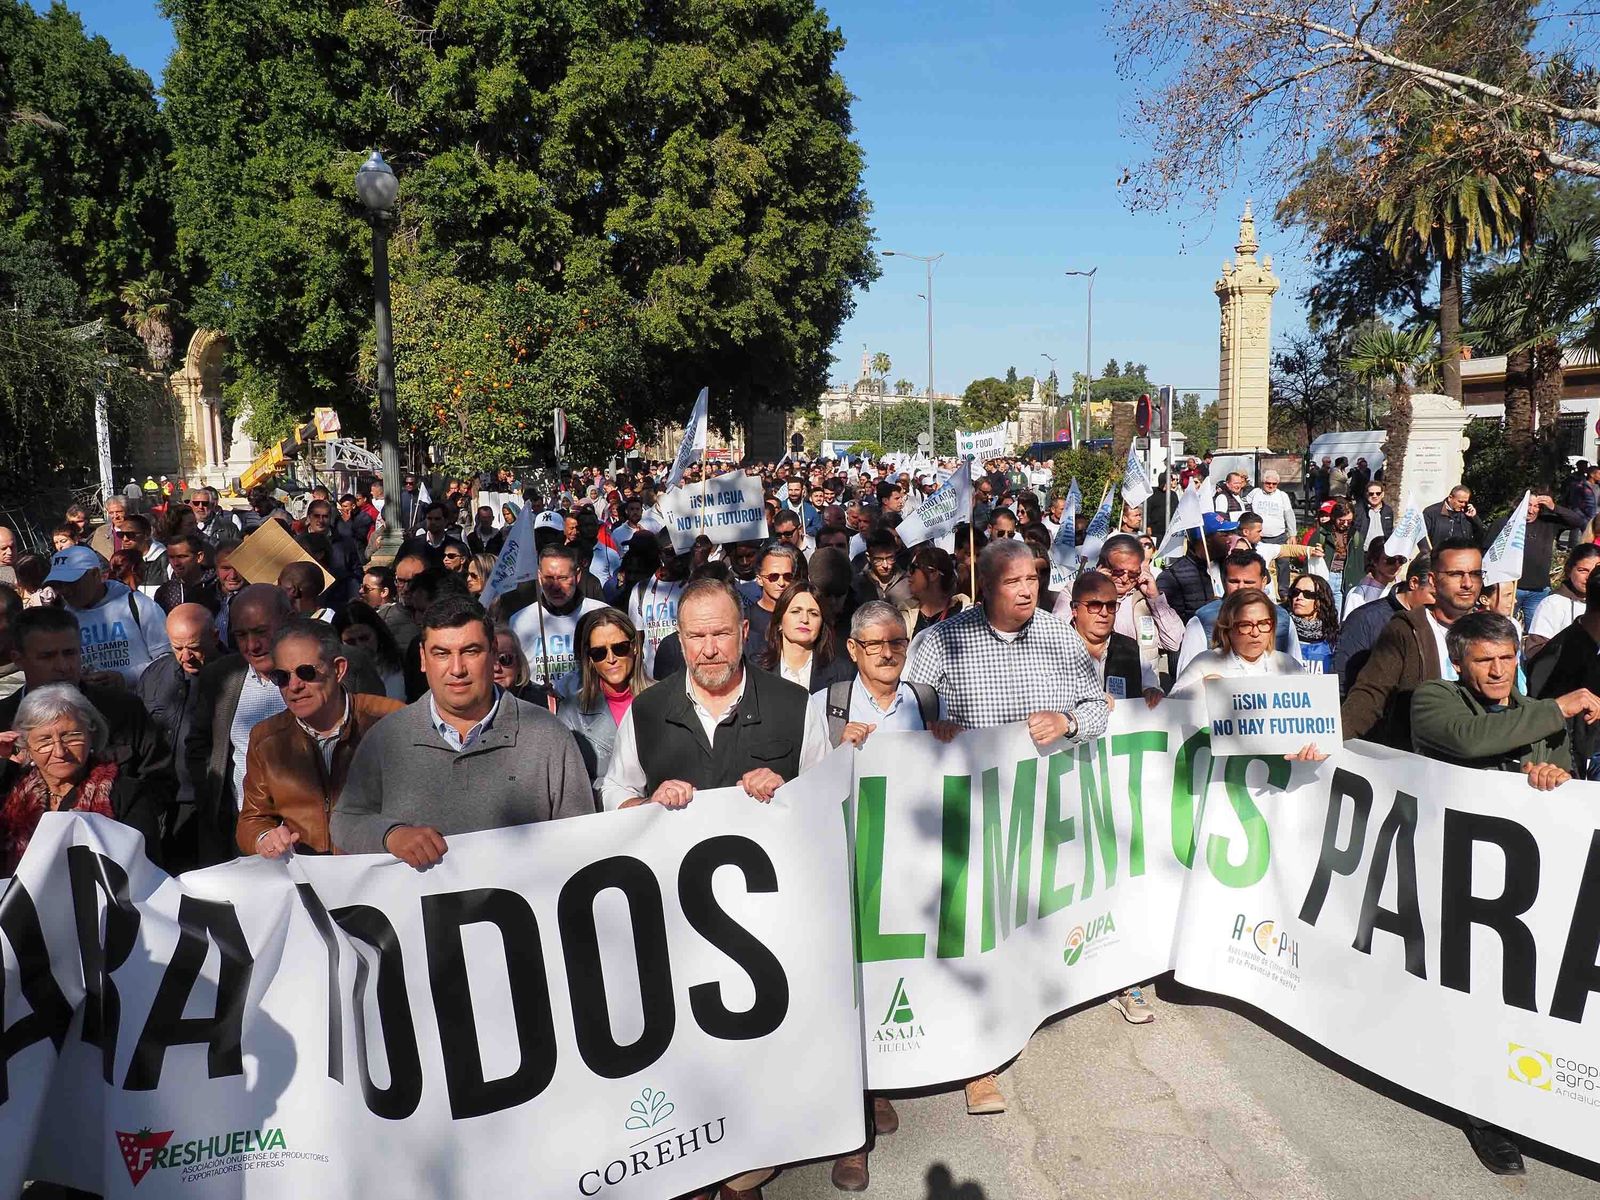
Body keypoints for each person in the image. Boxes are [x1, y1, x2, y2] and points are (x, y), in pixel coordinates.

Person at [905, 539, 1109, 1117]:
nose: (1027, 590)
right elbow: (905, 710)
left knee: (1026, 924)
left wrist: (1068, 720)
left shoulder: (1059, 636)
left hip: (1038, 811)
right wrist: (934, 727)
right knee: (976, 930)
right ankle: (978, 1063)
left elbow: (1097, 706)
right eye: (1014, 581)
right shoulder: (942, 642)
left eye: (1033, 579)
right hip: (967, 812)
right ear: (987, 585)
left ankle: (1021, 1012)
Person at [1409, 609, 1600, 1178]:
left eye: (1507, 657)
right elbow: (1470, 742)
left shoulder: (1537, 716)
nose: (1497, 670)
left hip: (1521, 888)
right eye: (1484, 660)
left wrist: (1550, 780)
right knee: (1475, 997)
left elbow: (1554, 776)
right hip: (1451, 874)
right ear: (1460, 663)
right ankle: (1487, 1116)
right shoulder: (1432, 698)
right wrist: (1556, 710)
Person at [332, 595, 594, 866]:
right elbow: (345, 820)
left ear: (493, 653)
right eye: (441, 653)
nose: (457, 669)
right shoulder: (386, 738)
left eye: (470, 651)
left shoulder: (548, 736)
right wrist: (390, 835)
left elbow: (580, 838)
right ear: (423, 658)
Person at [599, 576, 830, 811]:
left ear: (744, 632)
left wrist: (788, 793)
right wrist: (648, 804)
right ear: (680, 639)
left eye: (721, 634)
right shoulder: (646, 710)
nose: (709, 650)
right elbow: (616, 790)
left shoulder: (795, 705)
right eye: (697, 636)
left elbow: (827, 793)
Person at [237, 618, 405, 857]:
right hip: (308, 880)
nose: (294, 686)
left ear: (338, 669)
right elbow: (253, 818)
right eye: (282, 677)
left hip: (381, 874)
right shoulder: (266, 739)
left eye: (306, 672)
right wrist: (265, 838)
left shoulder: (390, 720)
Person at [0, 684, 164, 872]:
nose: (60, 751)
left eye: (71, 736)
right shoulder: (9, 791)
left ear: (91, 735)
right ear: (26, 745)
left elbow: (147, 870)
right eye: (44, 740)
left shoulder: (126, 794)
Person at [1343, 538, 1484, 749]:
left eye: (1475, 574)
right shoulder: (1405, 629)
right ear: (1433, 580)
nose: (1467, 583)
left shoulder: (1493, 631)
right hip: (1418, 763)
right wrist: (1333, 739)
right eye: (1456, 574)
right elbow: (1370, 694)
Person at [46, 544, 171, 686]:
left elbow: (167, 660)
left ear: (94, 574)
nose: (65, 590)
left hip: (141, 703)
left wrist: (125, 678)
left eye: (71, 582)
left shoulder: (138, 605)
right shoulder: (63, 620)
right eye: (58, 584)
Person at [554, 607, 651, 789]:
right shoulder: (571, 713)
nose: (611, 658)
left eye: (619, 648)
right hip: (607, 812)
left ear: (635, 647)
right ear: (590, 659)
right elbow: (570, 785)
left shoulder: (665, 697)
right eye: (599, 653)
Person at [1174, 550, 1302, 676]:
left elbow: (1296, 676)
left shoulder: (1283, 619)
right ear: (1224, 581)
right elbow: (1186, 680)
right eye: (1234, 582)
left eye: (1249, 582)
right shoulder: (1202, 620)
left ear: (1263, 582)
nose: (1241, 588)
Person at [1170, 588, 1305, 694]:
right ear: (1228, 627)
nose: (1255, 633)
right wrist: (1200, 687)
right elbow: (1173, 705)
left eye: (1263, 623)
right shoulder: (1205, 663)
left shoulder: (1289, 666)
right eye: (1245, 625)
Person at [1334, 554, 1433, 698]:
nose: (1439, 604)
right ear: (1414, 583)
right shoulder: (1365, 619)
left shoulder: (1446, 622)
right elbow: (1342, 682)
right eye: (1434, 595)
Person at [509, 543, 607, 686]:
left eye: (563, 578)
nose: (556, 586)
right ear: (539, 576)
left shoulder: (600, 614)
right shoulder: (519, 621)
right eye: (549, 578)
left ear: (577, 575)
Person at [1067, 569, 1162, 708]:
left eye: (1111, 605)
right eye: (1095, 605)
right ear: (1074, 609)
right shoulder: (1055, 649)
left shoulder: (1131, 649)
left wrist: (1152, 693)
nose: (1104, 613)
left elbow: (1151, 686)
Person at [755, 581, 853, 692]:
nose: (805, 619)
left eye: (813, 613)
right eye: (796, 611)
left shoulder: (841, 672)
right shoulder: (756, 668)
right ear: (779, 622)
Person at [1157, 512, 1236, 625]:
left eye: (1231, 534)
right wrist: (1206, 612)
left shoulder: (1231, 567)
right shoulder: (1173, 577)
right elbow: (1171, 623)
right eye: (1224, 535)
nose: (1230, 540)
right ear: (1206, 540)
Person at [1523, 541, 1599, 656]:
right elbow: (1535, 651)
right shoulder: (1553, 603)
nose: (1589, 577)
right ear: (1569, 570)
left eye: (1595, 572)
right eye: (1583, 570)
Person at [334, 601, 407, 700]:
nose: (360, 646)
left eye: (364, 638)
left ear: (377, 634)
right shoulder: (334, 679)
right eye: (350, 642)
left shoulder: (403, 664)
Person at [153, 533, 220, 614]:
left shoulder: (218, 585)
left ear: (199, 557)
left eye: (181, 557)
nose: (175, 563)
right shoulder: (165, 592)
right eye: (171, 557)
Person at [1286, 573, 1339, 674]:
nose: (1299, 597)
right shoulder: (1282, 630)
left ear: (1320, 601)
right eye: (1296, 592)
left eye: (1308, 594)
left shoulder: (1334, 637)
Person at [1341, 543, 1408, 618]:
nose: (1397, 565)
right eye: (1391, 560)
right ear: (1375, 561)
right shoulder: (1358, 595)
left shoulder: (1403, 592)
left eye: (1401, 560)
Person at [1245, 470, 1296, 543]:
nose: (1271, 486)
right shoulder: (1255, 492)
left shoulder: (1282, 495)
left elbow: (1289, 516)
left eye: (1274, 484)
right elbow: (1241, 504)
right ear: (1263, 482)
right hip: (1258, 537)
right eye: (1268, 483)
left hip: (1279, 537)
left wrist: (1292, 535)